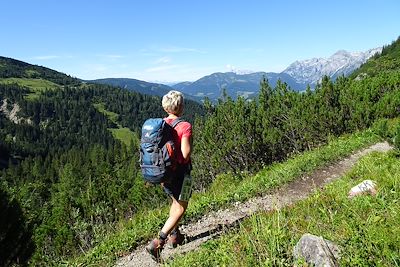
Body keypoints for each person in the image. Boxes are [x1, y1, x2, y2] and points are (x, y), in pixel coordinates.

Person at [146, 90, 193, 261]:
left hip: (164, 172)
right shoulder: (185, 126)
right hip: (181, 173)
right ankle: (158, 242)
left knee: (174, 201)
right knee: (181, 207)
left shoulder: (161, 125)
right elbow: (185, 154)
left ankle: (176, 236)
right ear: (180, 106)